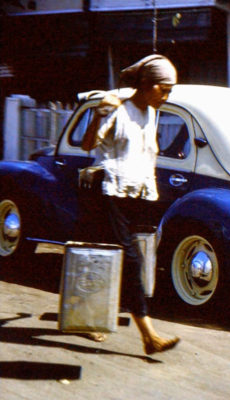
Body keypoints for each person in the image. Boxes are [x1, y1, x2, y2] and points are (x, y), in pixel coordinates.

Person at [80, 54, 180, 355]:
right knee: (130, 260)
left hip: (135, 194)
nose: (166, 96)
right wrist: (98, 115)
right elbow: (87, 146)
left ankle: (89, 318)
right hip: (109, 192)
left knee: (109, 258)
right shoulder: (118, 110)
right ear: (147, 85)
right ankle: (148, 335)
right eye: (164, 89)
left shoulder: (151, 113)